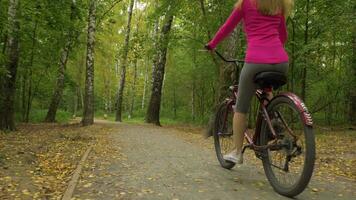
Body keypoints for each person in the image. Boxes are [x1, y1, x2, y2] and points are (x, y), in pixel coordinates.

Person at [205, 0, 293, 164]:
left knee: (241, 108)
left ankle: (237, 152)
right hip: (281, 62)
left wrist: (212, 44)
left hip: (255, 61)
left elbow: (227, 27)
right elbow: (283, 36)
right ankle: (273, 127)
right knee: (267, 91)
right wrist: (273, 50)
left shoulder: (246, 3)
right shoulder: (279, 4)